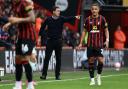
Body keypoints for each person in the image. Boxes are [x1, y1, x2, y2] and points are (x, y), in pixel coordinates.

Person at [38, 6, 80, 80]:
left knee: (58, 59)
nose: (59, 12)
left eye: (59, 11)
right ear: (53, 11)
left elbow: (68, 18)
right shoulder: (48, 19)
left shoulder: (61, 18)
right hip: (50, 41)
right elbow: (41, 29)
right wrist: (44, 35)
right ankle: (44, 74)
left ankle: (57, 75)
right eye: (57, 11)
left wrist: (75, 17)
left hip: (58, 41)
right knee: (47, 58)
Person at [3, 0, 35, 89]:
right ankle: (18, 85)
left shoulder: (26, 3)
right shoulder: (15, 4)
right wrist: (9, 24)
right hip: (20, 36)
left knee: (24, 59)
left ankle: (30, 85)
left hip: (28, 35)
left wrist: (18, 19)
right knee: (17, 60)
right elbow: (17, 17)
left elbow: (32, 19)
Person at [78, 3, 109, 86]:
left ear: (98, 10)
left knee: (101, 60)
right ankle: (92, 79)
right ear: (91, 10)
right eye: (93, 9)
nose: (94, 10)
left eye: (96, 9)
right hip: (90, 44)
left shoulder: (102, 19)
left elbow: (106, 30)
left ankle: (98, 76)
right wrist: (81, 42)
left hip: (99, 44)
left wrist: (107, 40)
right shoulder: (87, 19)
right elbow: (84, 31)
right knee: (91, 61)